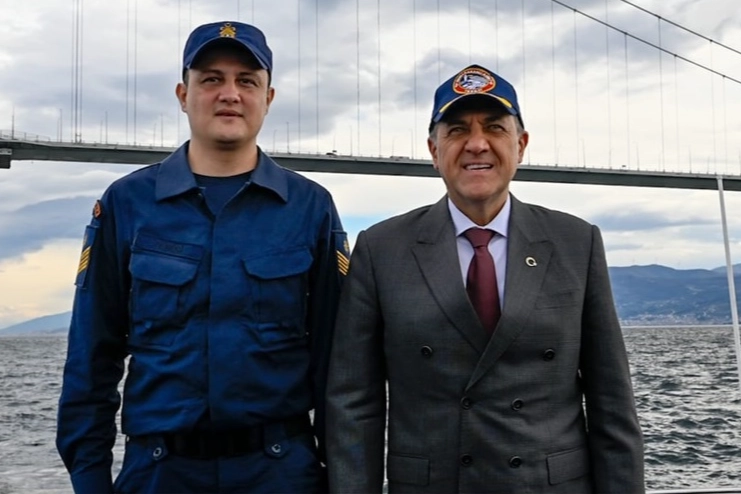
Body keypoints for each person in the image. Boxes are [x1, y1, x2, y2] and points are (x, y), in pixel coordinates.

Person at [57, 20, 347, 494]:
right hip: (160, 472)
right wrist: (90, 480)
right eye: (211, 79)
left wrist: (344, 477)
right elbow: (92, 355)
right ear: (183, 94)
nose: (230, 94)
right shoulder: (126, 204)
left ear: (268, 98)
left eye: (247, 81)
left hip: (280, 473)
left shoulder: (310, 207)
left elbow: (337, 362)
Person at [325, 64, 644, 493]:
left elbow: (612, 403)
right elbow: (353, 404)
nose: (477, 143)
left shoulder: (576, 242)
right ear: (434, 150)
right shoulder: (381, 249)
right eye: (457, 130)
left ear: (521, 145)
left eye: (494, 127)